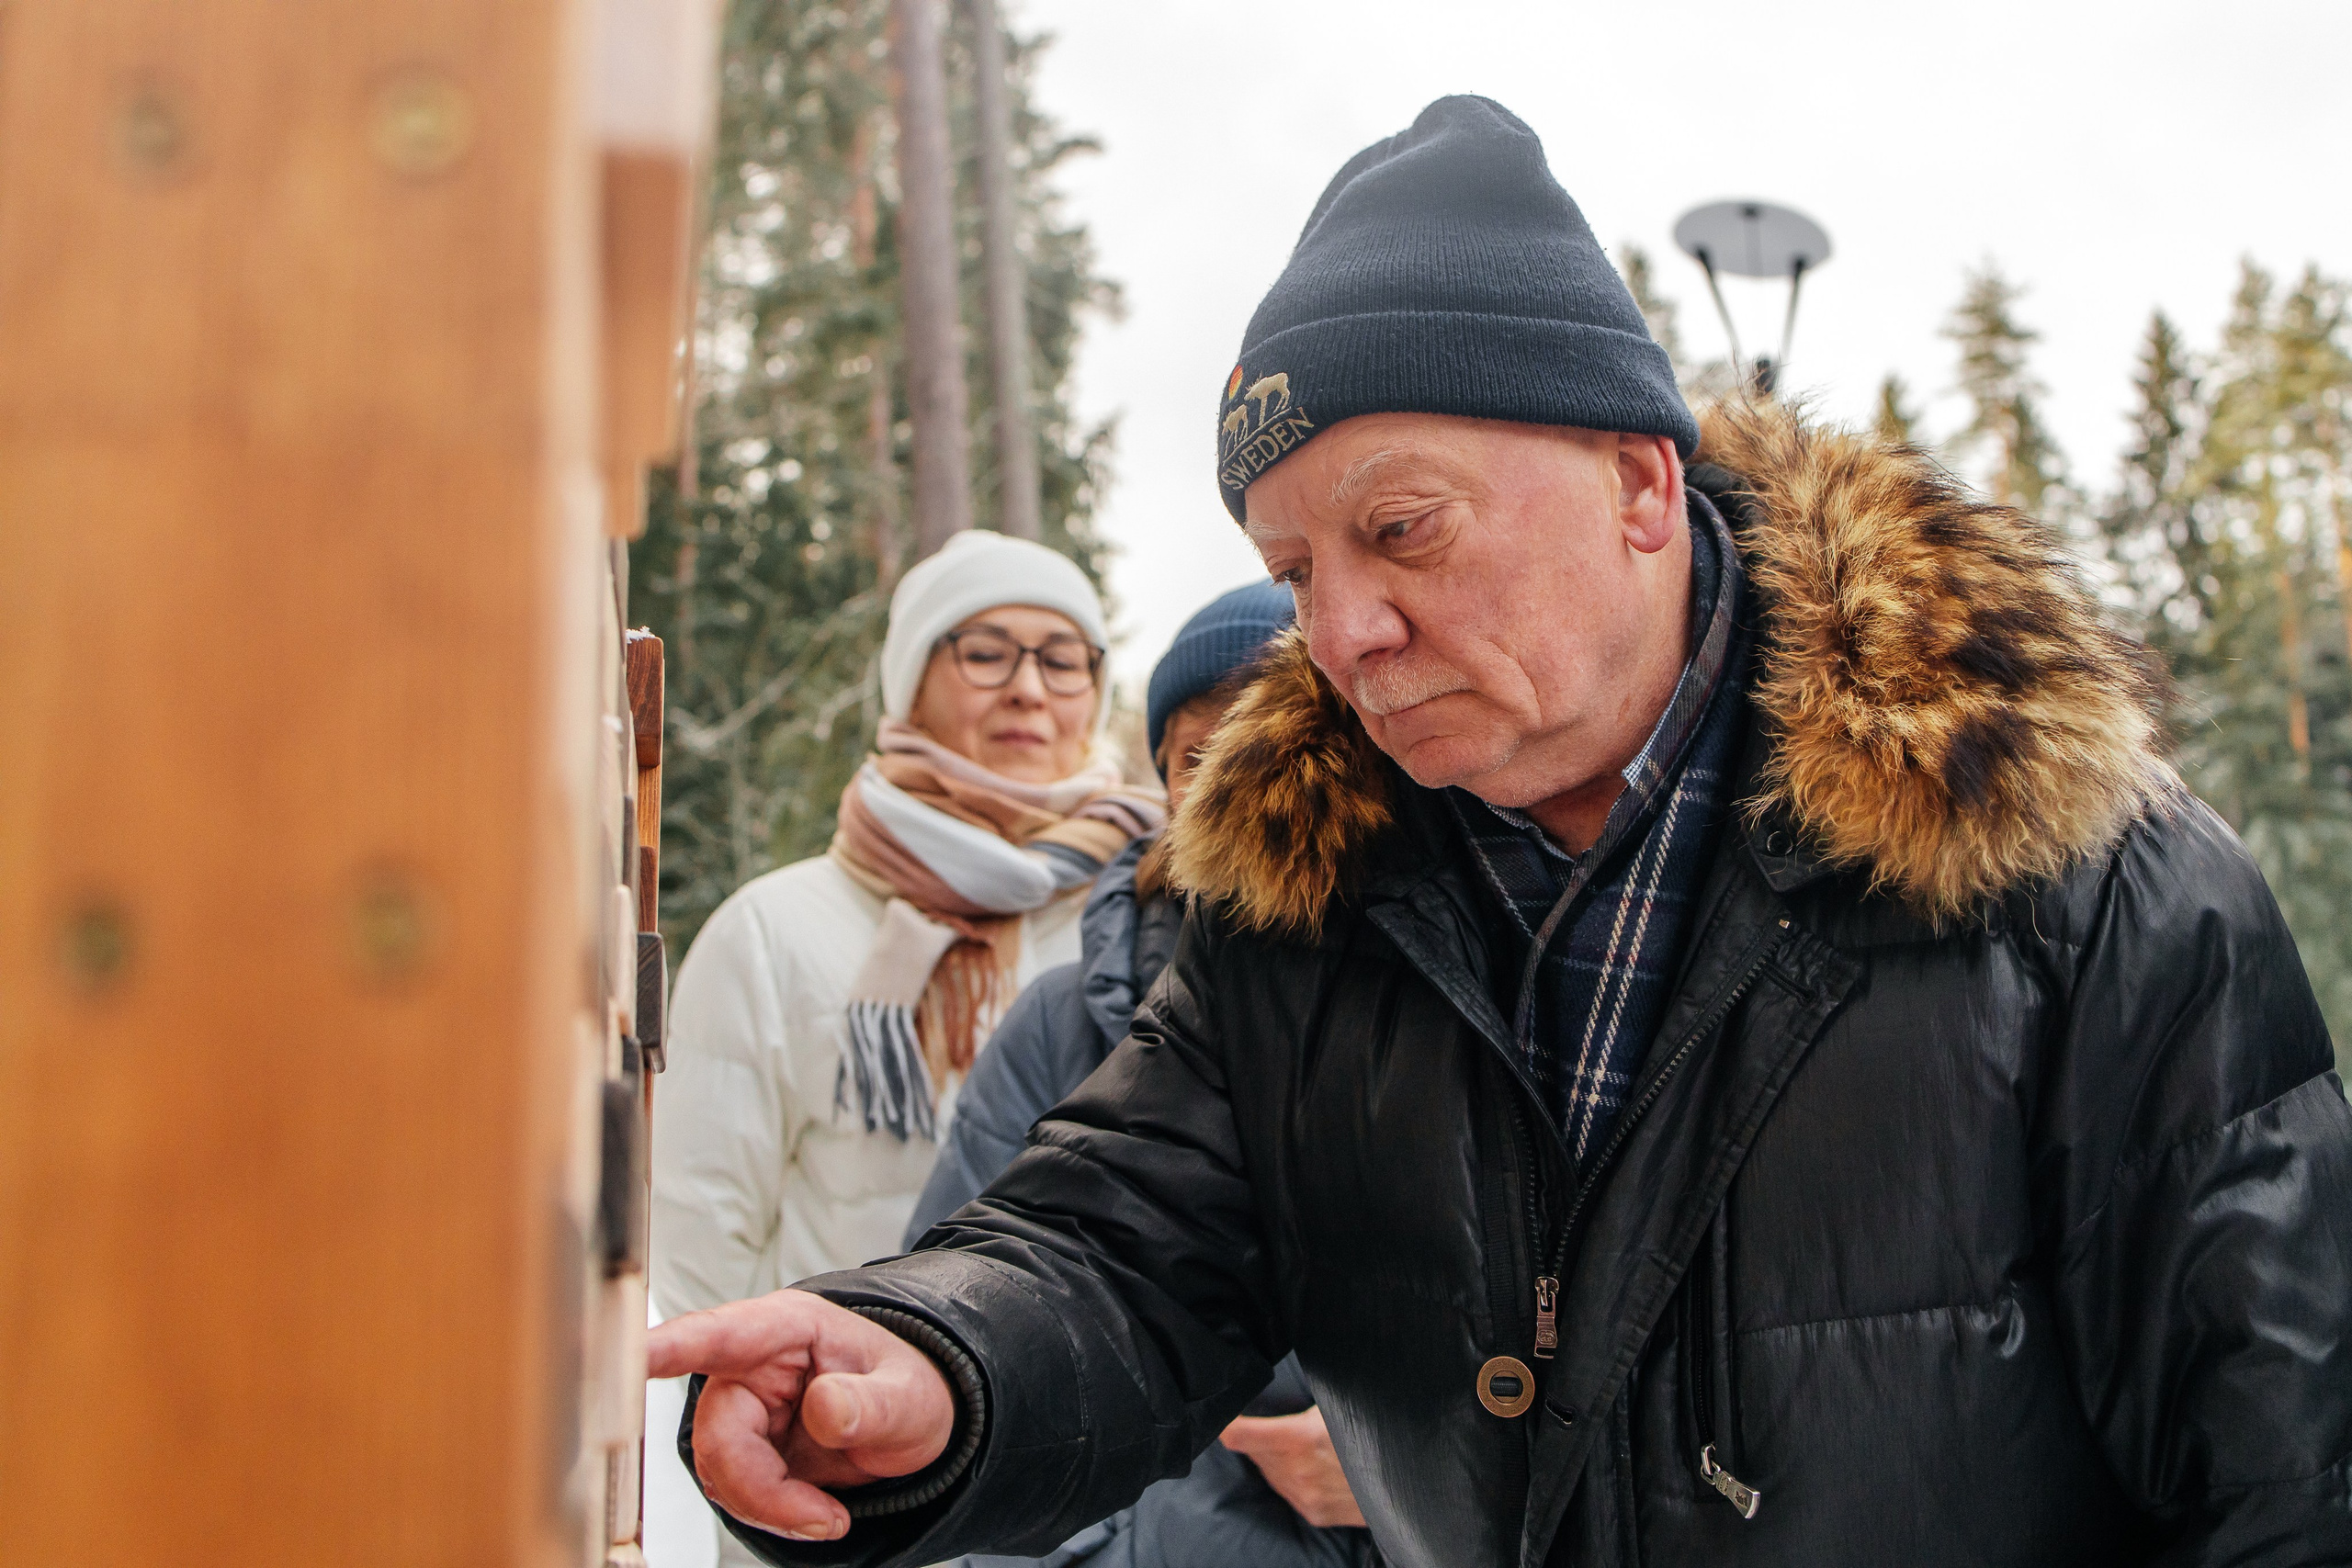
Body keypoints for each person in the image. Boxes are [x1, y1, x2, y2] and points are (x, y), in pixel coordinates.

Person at [650, 96, 2352, 1568]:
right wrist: (932, 1362)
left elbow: (2290, 1467)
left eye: (1403, 528)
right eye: (1294, 571)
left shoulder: (2072, 880)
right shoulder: (1298, 908)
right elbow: (1117, 1245)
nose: (1343, 631)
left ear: (1638, 483)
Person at [650, 529, 1162, 1565]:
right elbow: (700, 1249)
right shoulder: (776, 932)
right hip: (854, 1487)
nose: (1028, 689)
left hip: (1113, 1497)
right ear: (911, 682)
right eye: (986, 651)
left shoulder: (1148, 922)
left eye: (1063, 658)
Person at [908, 580, 1374, 1568]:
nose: (1245, 790)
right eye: (1201, 759)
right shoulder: (1063, 1023)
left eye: (1279, 751)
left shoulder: (1452, 1003)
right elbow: (986, 1316)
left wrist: (1412, 1468)